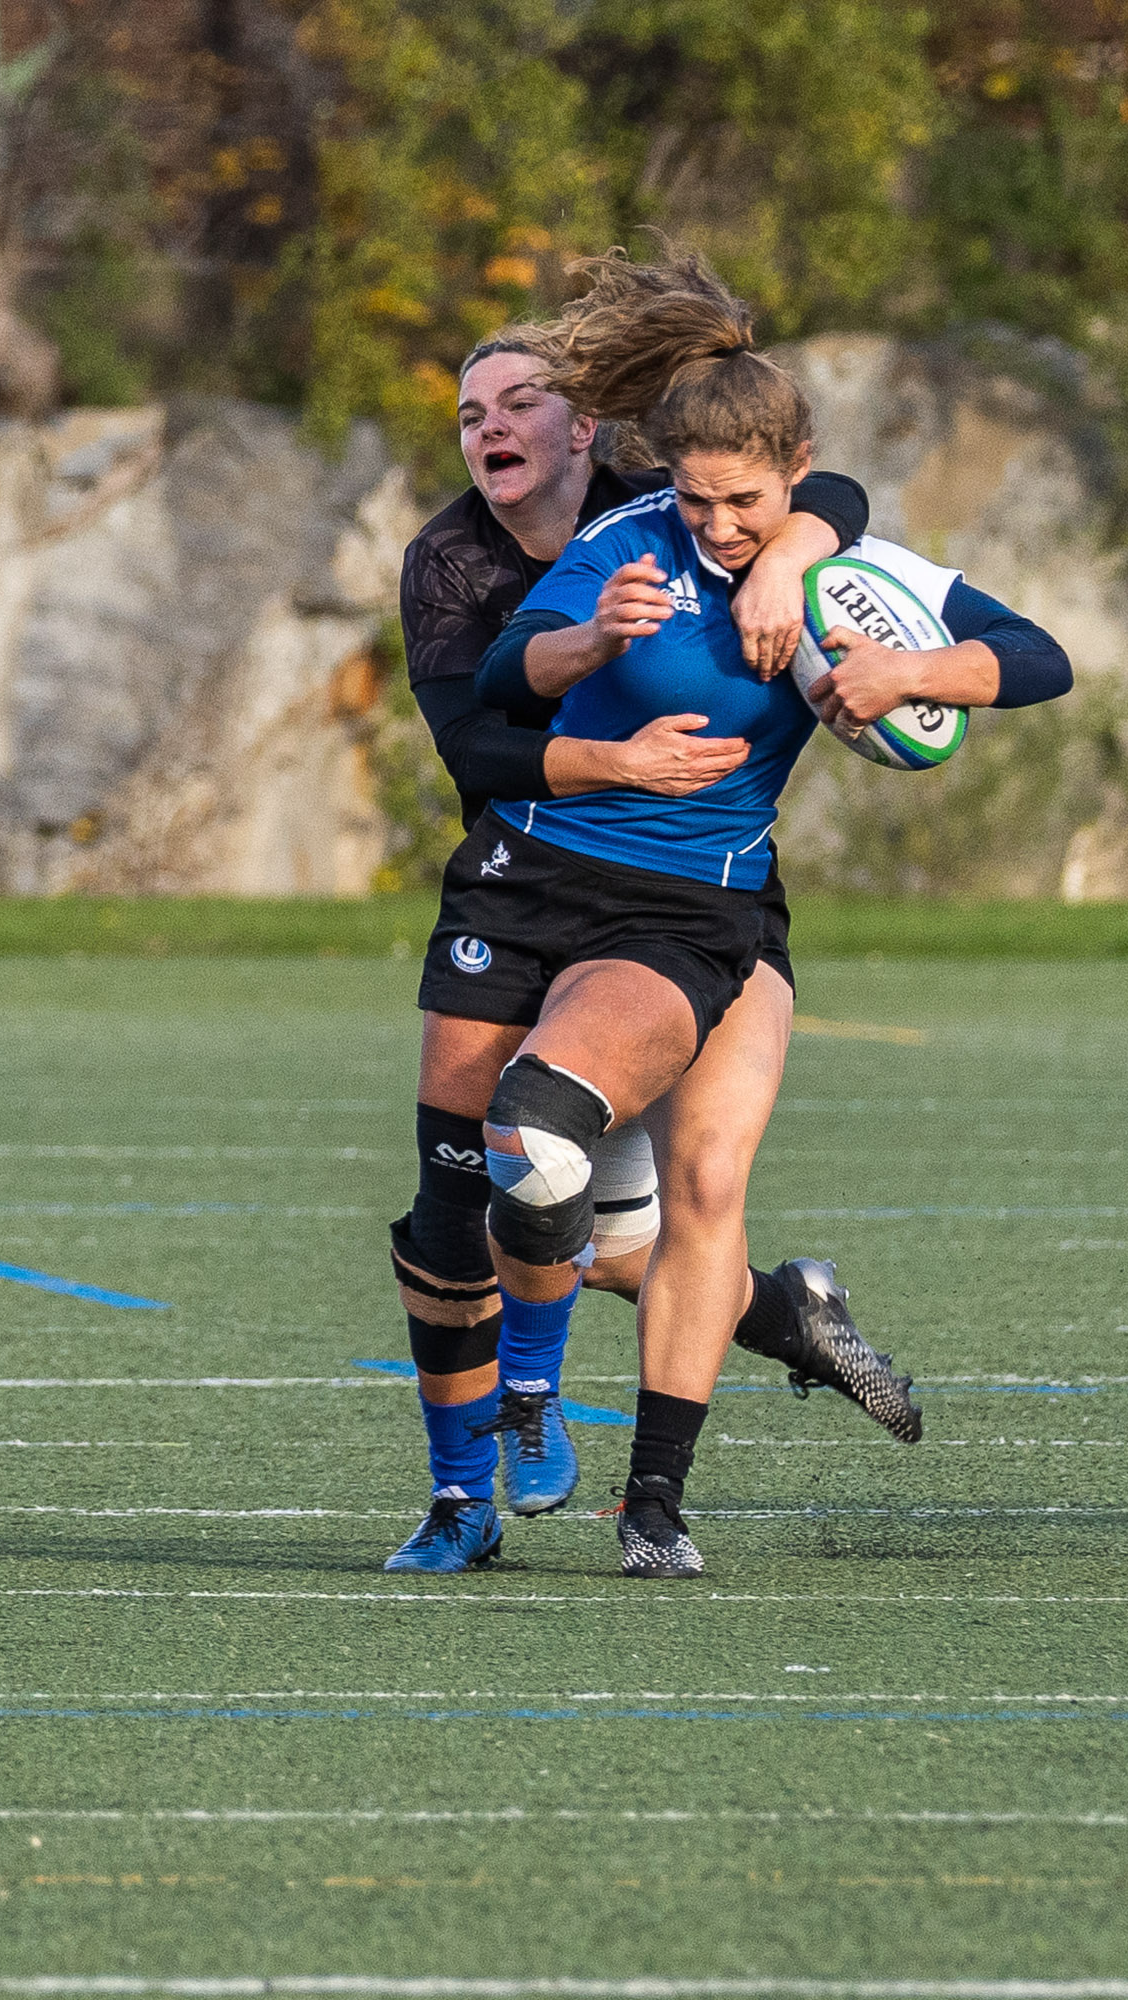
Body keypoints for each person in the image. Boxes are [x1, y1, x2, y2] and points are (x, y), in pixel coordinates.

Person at [466, 250, 1073, 1577]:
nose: (721, 525)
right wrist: (598, 640)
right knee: (560, 1188)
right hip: (562, 895)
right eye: (699, 499)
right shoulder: (630, 545)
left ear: (798, 470)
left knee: (699, 1181)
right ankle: (704, 1337)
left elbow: (1039, 658)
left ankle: (655, 1512)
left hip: (714, 913)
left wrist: (912, 666)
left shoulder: (846, 567)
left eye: (748, 502)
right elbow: (514, 670)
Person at [385, 324, 922, 1575]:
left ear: (588, 432)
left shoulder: (667, 501)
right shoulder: (451, 561)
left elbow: (824, 493)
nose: (490, 428)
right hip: (522, 892)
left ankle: (607, 1460)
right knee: (481, 1214)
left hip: (687, 909)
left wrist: (790, 558)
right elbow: (478, 747)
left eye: (520, 402)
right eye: (469, 414)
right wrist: (616, 753)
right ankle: (474, 1497)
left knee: (675, 1199)